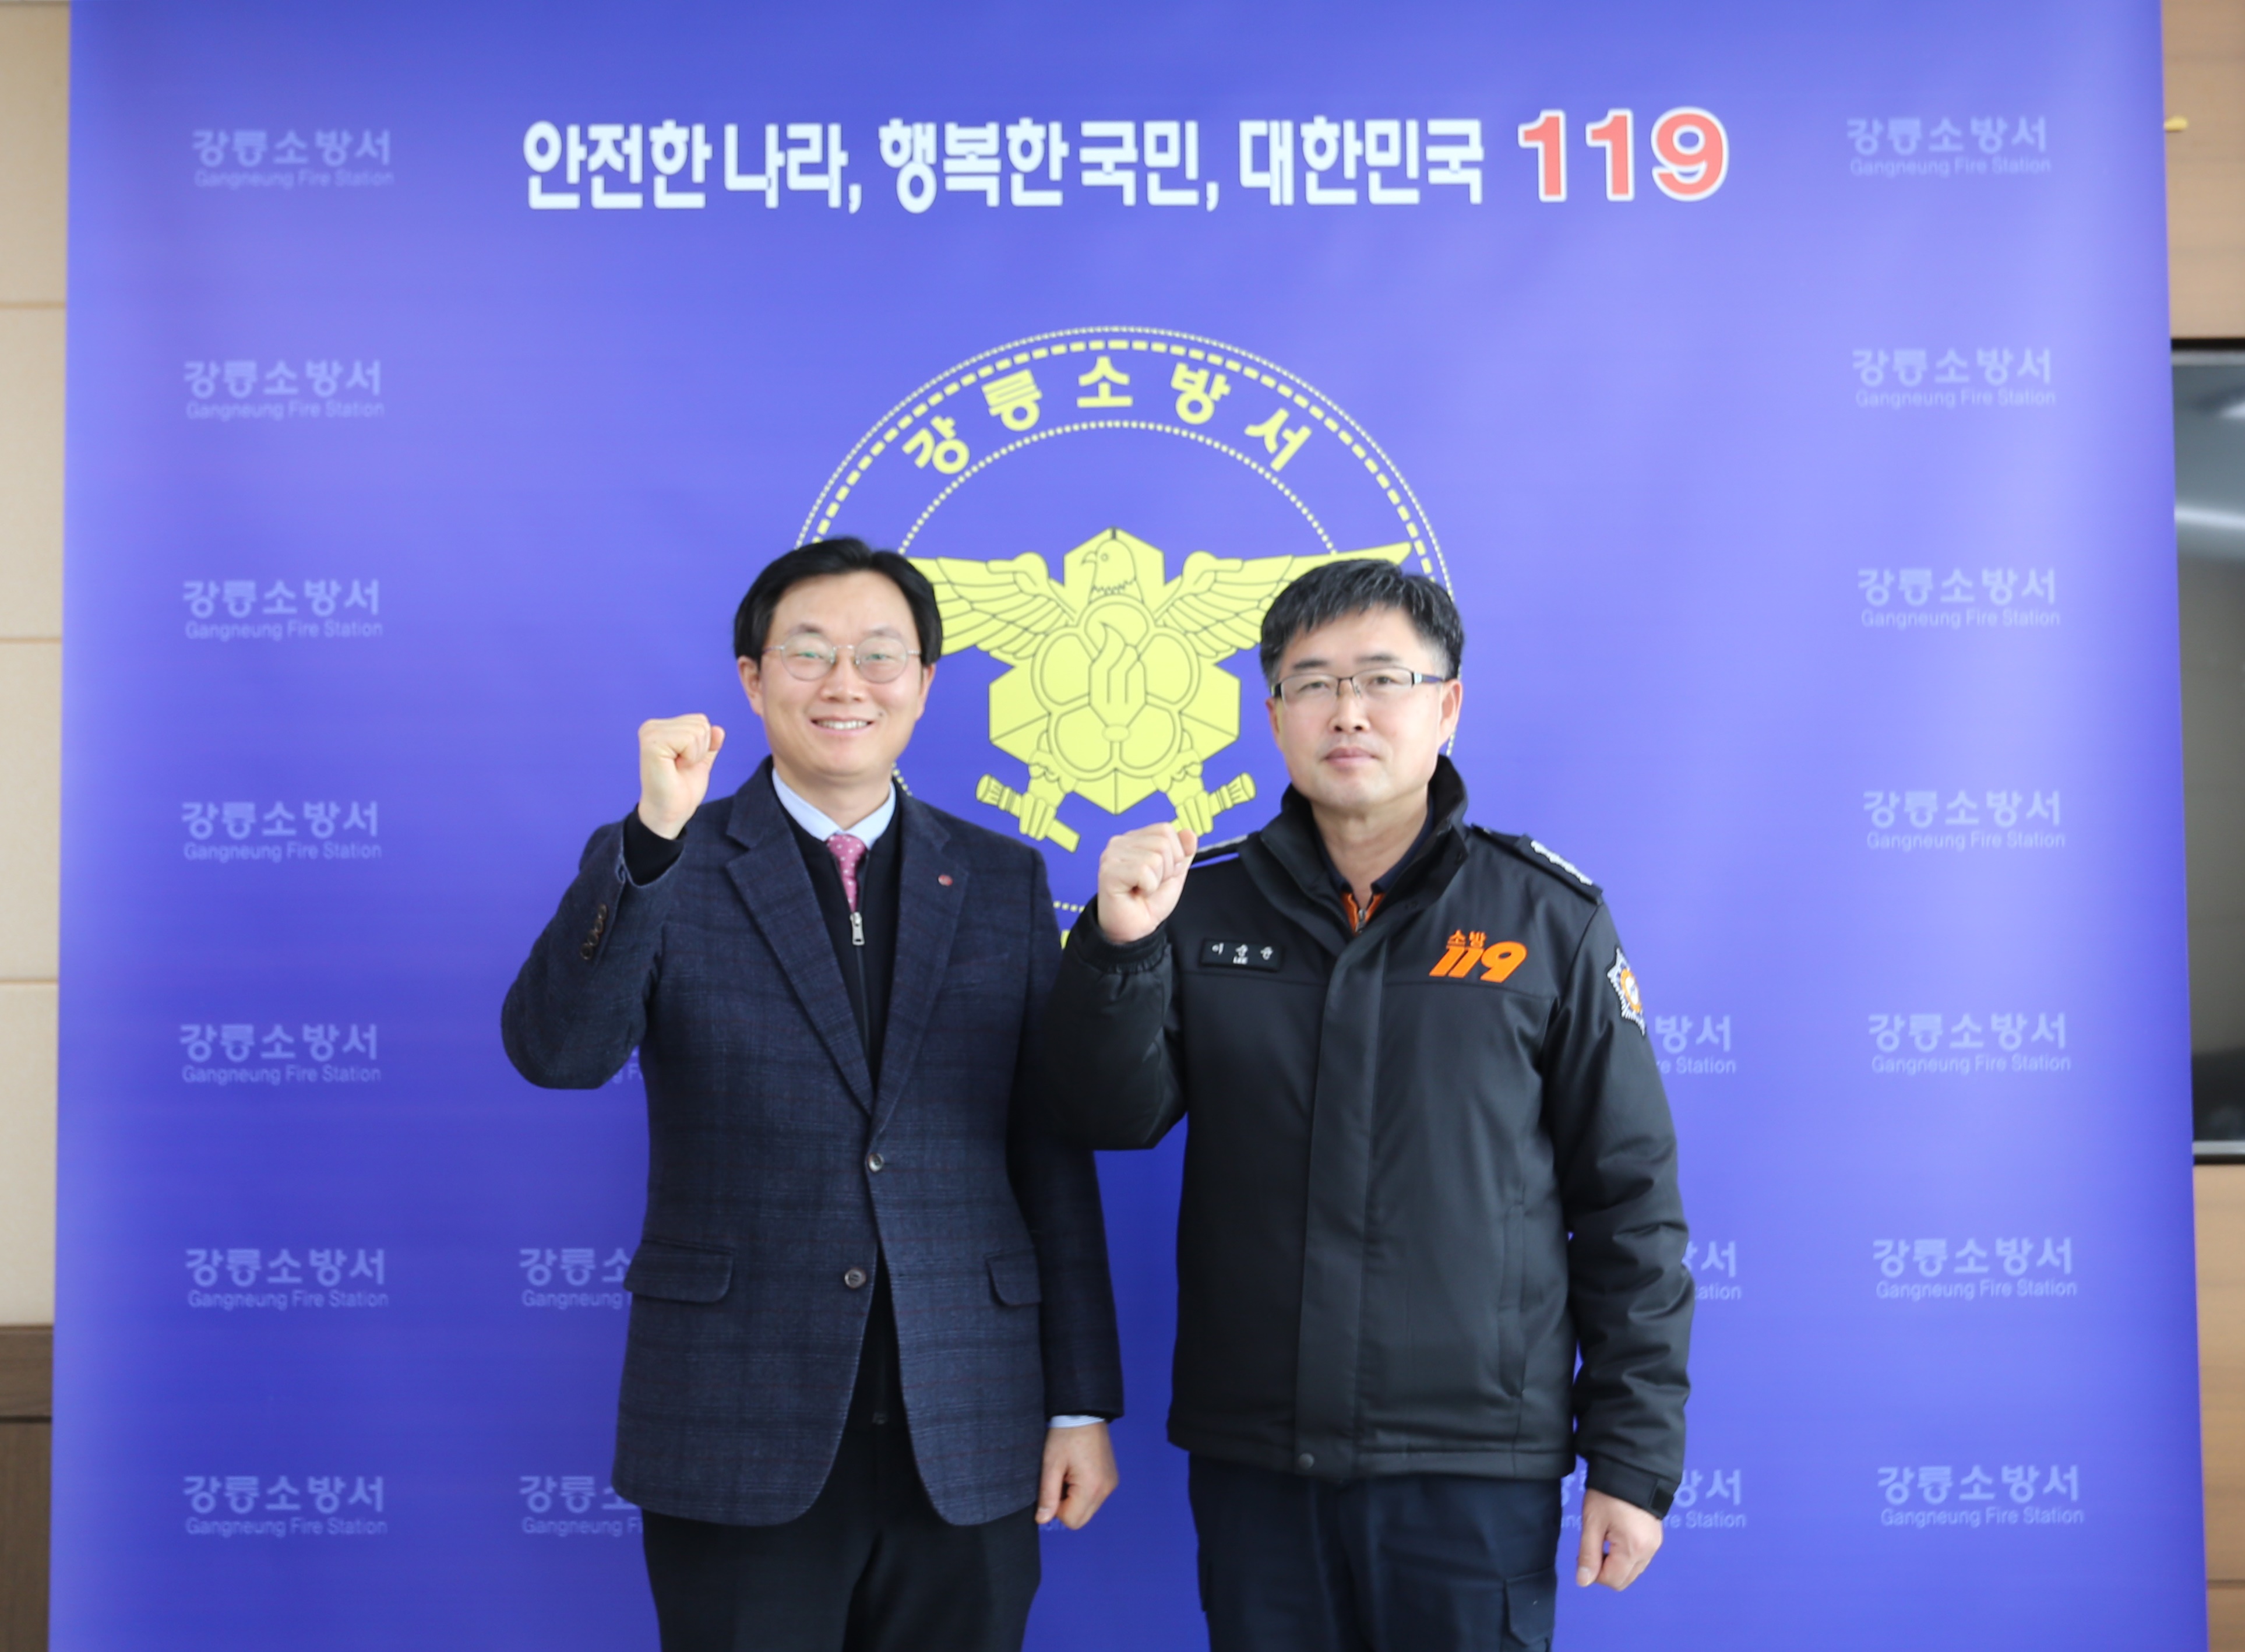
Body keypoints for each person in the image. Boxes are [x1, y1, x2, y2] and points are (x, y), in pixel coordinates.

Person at [1038, 558, 1691, 1652]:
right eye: (1312, 683)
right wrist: (1116, 950)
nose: (1347, 711)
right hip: (1258, 1459)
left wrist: (1631, 1459)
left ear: (1447, 705)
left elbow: (1629, 1207)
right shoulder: (1196, 907)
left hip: (1473, 1464)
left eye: (1383, 679)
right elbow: (1106, 1115)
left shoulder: (1547, 920)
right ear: (1273, 715)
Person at [502, 537, 1124, 1652]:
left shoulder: (1002, 878)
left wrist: (1078, 1400)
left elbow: (1048, 1150)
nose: (847, 683)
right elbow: (559, 1052)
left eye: (880, 655)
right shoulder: (664, 858)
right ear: (752, 679)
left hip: (967, 1422)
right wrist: (650, 842)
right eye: (809, 653)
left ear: (924, 684)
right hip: (735, 1424)